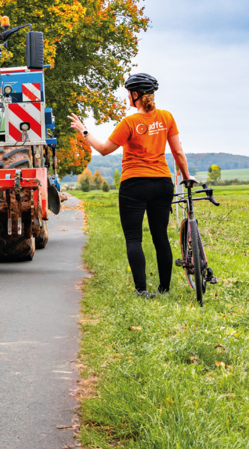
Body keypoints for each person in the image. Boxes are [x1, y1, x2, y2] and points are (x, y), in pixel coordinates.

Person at [67, 73, 191, 299]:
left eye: (129, 93)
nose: (128, 97)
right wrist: (187, 176)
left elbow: (104, 149)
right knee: (160, 237)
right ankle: (164, 289)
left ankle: (142, 290)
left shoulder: (129, 123)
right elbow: (178, 153)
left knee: (134, 238)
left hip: (134, 184)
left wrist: (84, 131)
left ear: (135, 95)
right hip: (162, 182)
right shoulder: (167, 117)